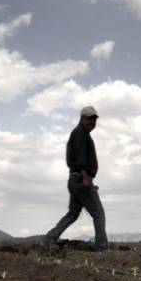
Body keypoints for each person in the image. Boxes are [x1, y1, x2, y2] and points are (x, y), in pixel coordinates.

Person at [43, 105, 108, 251]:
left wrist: (88, 179)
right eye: (90, 119)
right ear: (82, 118)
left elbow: (79, 160)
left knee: (73, 213)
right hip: (80, 179)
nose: (93, 122)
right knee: (98, 213)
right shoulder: (80, 134)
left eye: (94, 119)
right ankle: (102, 248)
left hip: (75, 179)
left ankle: (50, 238)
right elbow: (80, 159)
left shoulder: (81, 133)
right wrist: (86, 179)